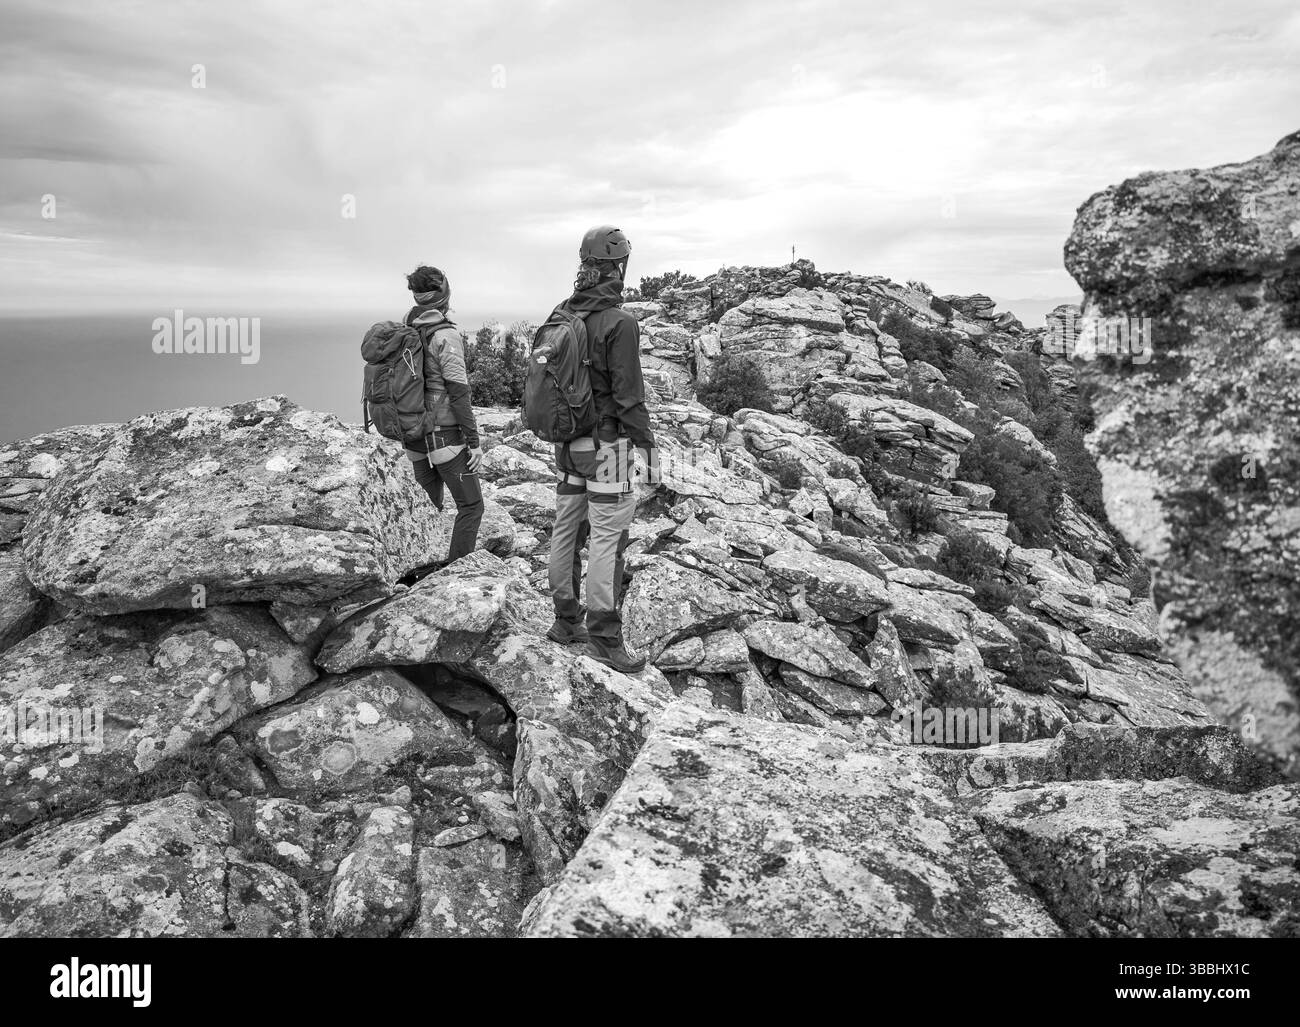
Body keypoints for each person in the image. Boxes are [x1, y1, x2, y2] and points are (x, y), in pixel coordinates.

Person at [545, 226, 658, 672]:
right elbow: (630, 397)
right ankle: (605, 639)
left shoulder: (561, 312)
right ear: (619, 267)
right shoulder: (620, 322)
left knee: (567, 529)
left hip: (567, 443)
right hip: (608, 447)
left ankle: (565, 621)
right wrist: (647, 449)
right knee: (609, 536)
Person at [403, 265, 484, 565]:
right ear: (444, 294)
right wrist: (473, 441)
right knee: (472, 506)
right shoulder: (446, 336)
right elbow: (459, 394)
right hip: (444, 438)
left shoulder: (407, 328)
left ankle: (416, 572)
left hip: (413, 436)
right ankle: (455, 576)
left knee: (428, 509)